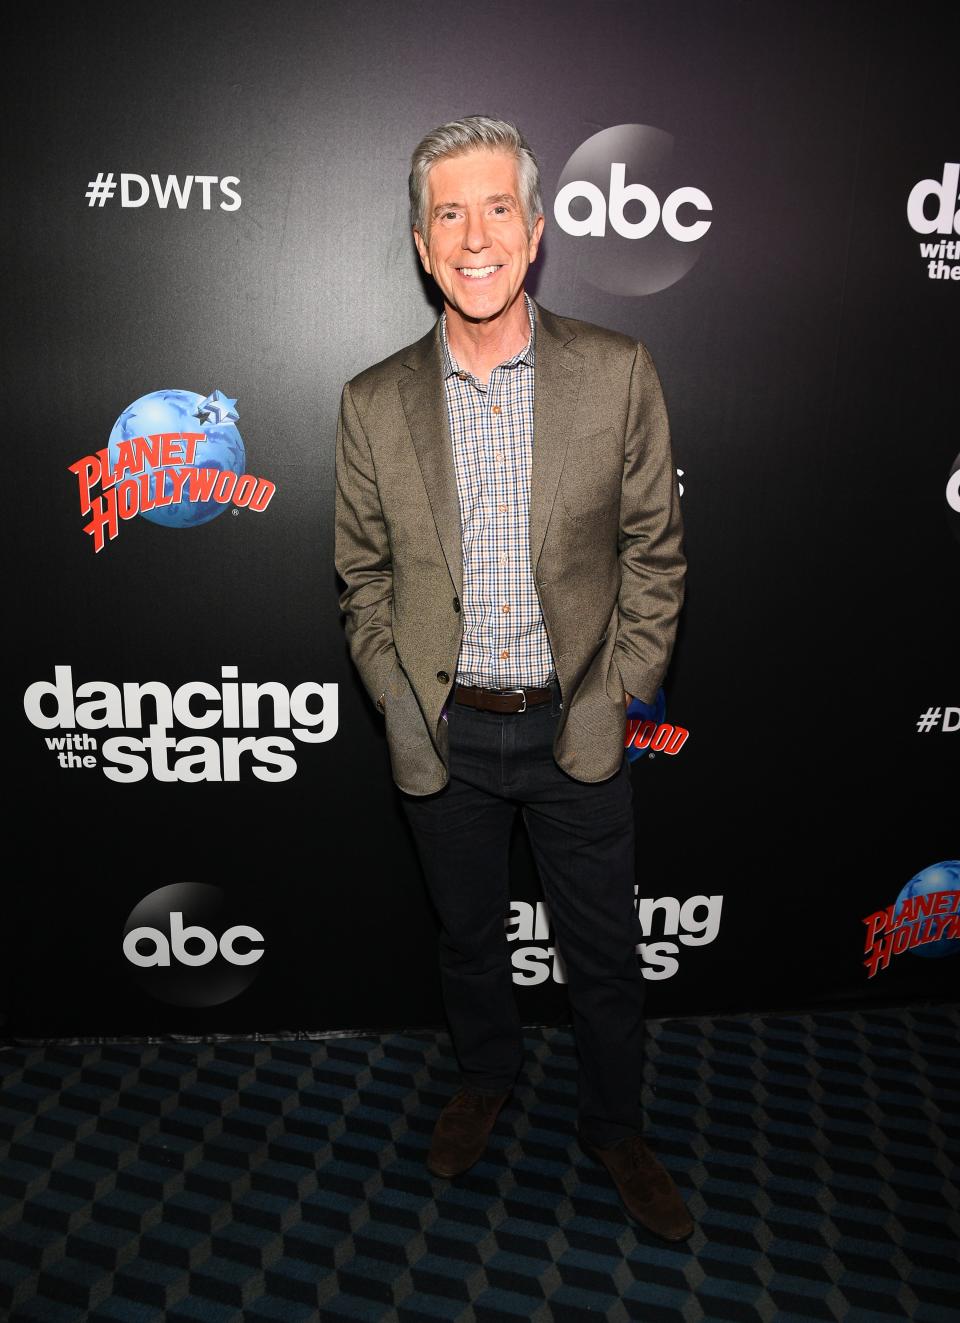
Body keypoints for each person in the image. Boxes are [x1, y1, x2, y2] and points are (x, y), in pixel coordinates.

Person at [334, 116, 690, 1241]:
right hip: (444, 734)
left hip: (576, 726)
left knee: (602, 954)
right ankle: (483, 1078)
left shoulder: (618, 373)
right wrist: (401, 700)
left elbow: (655, 553)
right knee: (468, 940)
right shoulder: (372, 402)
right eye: (451, 213)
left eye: (498, 210)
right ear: (422, 240)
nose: (475, 236)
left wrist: (619, 684)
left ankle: (615, 1123)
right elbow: (362, 576)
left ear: (536, 233)